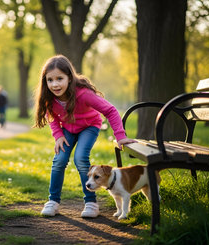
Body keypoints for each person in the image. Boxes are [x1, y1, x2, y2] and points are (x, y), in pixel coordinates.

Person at [33, 55, 135, 218]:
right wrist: (58, 135)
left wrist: (120, 136)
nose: (55, 84)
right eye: (50, 80)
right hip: (67, 130)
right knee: (59, 159)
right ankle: (53, 201)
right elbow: (51, 116)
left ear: (69, 77)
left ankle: (91, 203)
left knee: (80, 158)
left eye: (60, 78)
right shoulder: (49, 97)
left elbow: (110, 110)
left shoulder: (83, 94)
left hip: (89, 127)